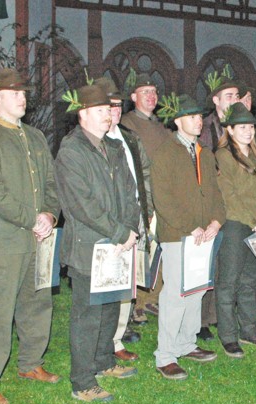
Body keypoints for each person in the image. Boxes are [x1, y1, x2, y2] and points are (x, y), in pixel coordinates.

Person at [0, 68, 61, 404]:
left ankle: (30, 364)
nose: (22, 97)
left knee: (38, 304)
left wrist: (50, 215)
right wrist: (32, 218)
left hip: (38, 238)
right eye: (15, 93)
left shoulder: (36, 137)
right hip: (4, 242)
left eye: (23, 92)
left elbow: (52, 186)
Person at [55, 84, 140, 402]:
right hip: (90, 247)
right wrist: (120, 233)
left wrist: (130, 228)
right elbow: (82, 205)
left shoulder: (114, 148)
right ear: (84, 114)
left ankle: (104, 362)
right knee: (87, 316)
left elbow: (131, 194)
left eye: (111, 110)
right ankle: (81, 381)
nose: (109, 115)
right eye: (103, 110)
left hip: (117, 243)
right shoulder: (72, 150)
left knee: (108, 309)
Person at [150, 94, 224, 380]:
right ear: (178, 121)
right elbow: (163, 198)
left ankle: (186, 342)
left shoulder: (204, 152)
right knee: (175, 295)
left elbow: (216, 193)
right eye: (191, 116)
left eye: (199, 116)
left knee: (196, 291)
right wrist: (188, 226)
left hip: (204, 235)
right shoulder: (165, 153)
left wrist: (217, 221)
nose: (198, 121)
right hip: (177, 235)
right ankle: (165, 355)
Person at [95, 76, 152, 361]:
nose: (115, 111)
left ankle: (118, 336)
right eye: (109, 105)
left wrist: (149, 210)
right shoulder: (96, 140)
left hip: (136, 216)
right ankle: (107, 340)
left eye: (118, 106)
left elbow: (145, 176)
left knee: (129, 280)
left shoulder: (129, 138)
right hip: (111, 223)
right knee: (110, 281)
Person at [214, 102, 256, 358]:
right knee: (229, 282)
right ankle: (228, 336)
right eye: (242, 127)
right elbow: (229, 195)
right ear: (229, 129)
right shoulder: (223, 156)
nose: (248, 131)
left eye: (251, 127)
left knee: (249, 282)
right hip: (236, 226)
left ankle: (249, 331)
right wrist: (254, 222)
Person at [121, 73, 172, 324]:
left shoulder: (161, 125)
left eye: (154, 92)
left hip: (163, 193)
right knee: (142, 249)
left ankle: (153, 298)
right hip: (143, 194)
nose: (151, 96)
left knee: (159, 248)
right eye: (145, 92)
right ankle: (137, 303)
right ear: (133, 97)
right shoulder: (127, 123)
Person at [197, 68, 243, 341]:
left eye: (236, 95)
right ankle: (201, 320)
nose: (233, 99)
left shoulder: (242, 125)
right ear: (216, 100)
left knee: (226, 265)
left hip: (235, 208)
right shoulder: (205, 128)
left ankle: (216, 315)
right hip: (212, 206)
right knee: (207, 264)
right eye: (228, 95)